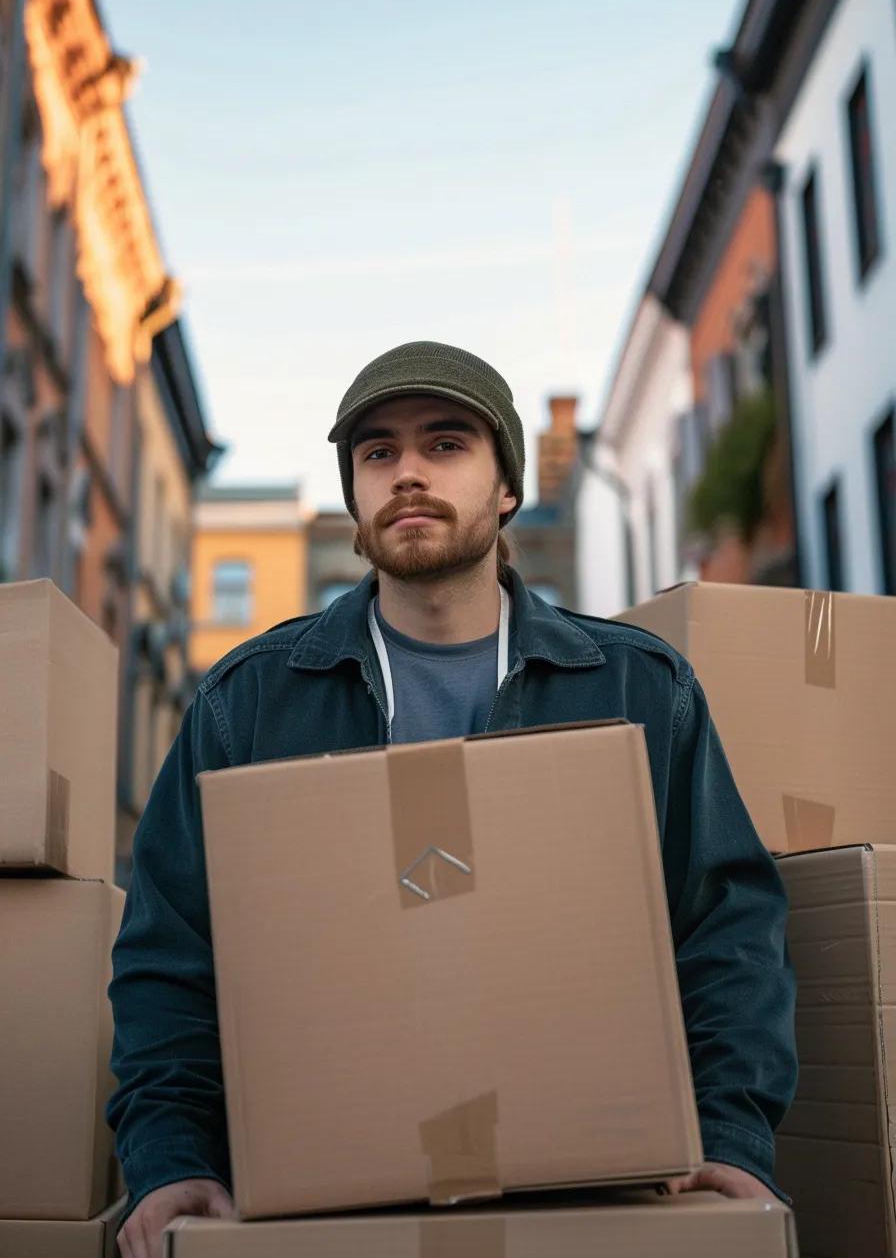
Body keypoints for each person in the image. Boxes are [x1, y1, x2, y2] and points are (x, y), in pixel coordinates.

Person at [108, 340, 797, 1257]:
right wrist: (170, 1156)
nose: (408, 475)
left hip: (601, 1185)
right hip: (318, 1198)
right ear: (354, 496)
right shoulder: (249, 703)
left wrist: (731, 1139)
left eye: (445, 444)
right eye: (378, 454)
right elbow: (170, 958)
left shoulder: (638, 686)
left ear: (506, 485)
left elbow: (727, 931)